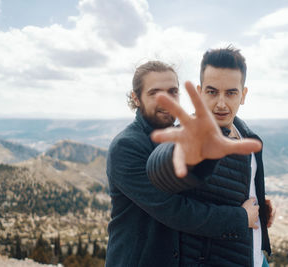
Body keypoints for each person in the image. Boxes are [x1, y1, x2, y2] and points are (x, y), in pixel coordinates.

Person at [106, 60, 264, 266]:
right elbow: (174, 209)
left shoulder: (180, 134)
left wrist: (259, 205)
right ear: (136, 98)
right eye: (155, 93)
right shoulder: (126, 147)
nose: (166, 101)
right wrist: (240, 218)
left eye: (172, 92)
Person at [147, 47, 274, 266]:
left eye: (231, 93)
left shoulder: (248, 137)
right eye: (212, 92)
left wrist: (260, 206)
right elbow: (161, 169)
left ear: (243, 95)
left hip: (256, 258)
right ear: (200, 92)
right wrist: (184, 152)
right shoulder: (192, 136)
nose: (221, 104)